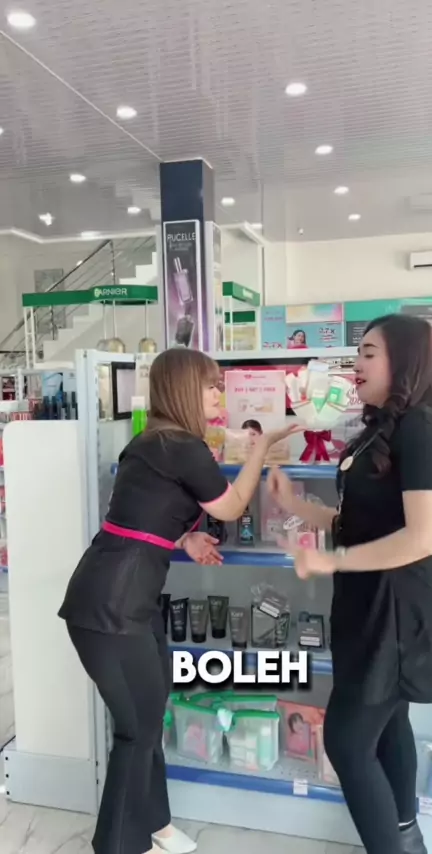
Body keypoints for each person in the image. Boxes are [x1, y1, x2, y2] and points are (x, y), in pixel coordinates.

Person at [58, 348, 299, 854]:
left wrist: (184, 538)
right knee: (137, 730)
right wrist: (261, 448)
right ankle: (118, 845)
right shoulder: (181, 445)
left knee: (148, 718)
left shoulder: (152, 441)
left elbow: (138, 516)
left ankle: (158, 826)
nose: (218, 396)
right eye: (211, 386)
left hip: (126, 599)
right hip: (112, 606)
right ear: (183, 388)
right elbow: (232, 507)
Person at [267, 314, 432, 854]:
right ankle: (406, 839)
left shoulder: (421, 428)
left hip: (397, 609)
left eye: (369, 353)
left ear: (403, 361)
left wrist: (332, 562)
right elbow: (358, 521)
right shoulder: (380, 428)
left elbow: (423, 537)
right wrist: (294, 505)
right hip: (366, 605)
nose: (357, 364)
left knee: (348, 742)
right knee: (390, 724)